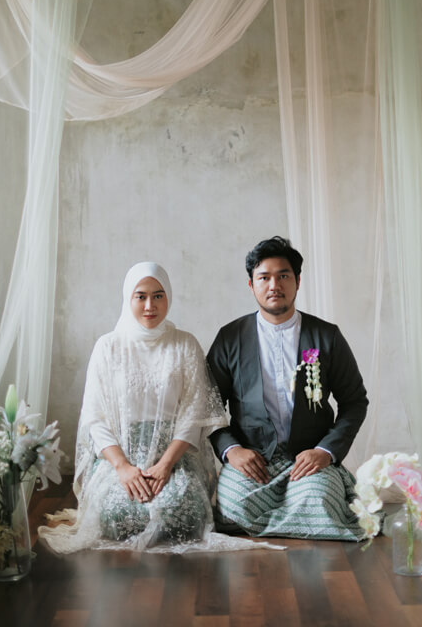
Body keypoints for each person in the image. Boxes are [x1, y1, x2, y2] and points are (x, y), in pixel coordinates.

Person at [39, 262, 230, 553]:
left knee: (185, 511)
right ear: (128, 298)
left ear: (169, 297)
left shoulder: (185, 344)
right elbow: (95, 418)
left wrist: (165, 466)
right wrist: (123, 468)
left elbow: (194, 414)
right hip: (121, 456)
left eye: (158, 295)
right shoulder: (108, 347)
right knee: (116, 514)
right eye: (141, 296)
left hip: (173, 456)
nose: (150, 305)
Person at [207, 237, 369, 541]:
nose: (274, 285)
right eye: (264, 277)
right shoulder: (230, 338)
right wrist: (232, 450)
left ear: (297, 281)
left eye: (283, 276)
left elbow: (354, 402)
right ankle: (304, 524)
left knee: (318, 501)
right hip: (254, 458)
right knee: (233, 506)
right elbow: (209, 406)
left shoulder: (326, 336)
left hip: (308, 455)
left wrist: (325, 451)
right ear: (251, 285)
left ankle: (298, 513)